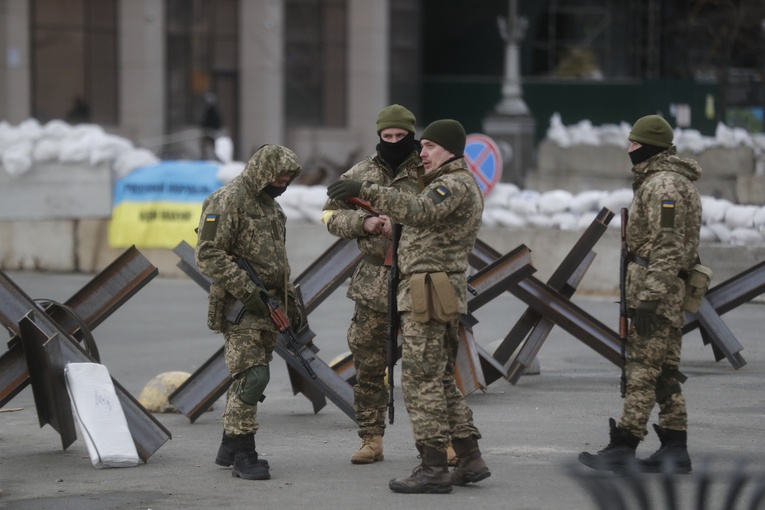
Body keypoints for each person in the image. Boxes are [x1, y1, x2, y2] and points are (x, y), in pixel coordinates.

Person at [327, 119, 490, 494]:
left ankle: (433, 468)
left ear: (450, 149)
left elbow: (417, 210)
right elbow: (418, 220)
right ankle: (469, 457)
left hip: (428, 293)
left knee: (420, 381)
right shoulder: (447, 183)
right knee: (439, 379)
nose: (423, 152)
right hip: (428, 290)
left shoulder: (452, 183)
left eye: (430, 146)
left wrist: (364, 189)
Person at [578, 114, 702, 474]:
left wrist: (651, 296)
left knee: (642, 368)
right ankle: (675, 447)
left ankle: (624, 445)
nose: (628, 149)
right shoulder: (664, 180)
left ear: (649, 146)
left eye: (634, 143)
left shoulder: (663, 185)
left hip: (657, 290)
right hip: (663, 287)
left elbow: (666, 245)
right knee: (664, 369)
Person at [195, 144, 304, 481]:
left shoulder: (271, 207)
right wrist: (248, 292)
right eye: (279, 177)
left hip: (269, 305)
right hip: (241, 306)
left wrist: (291, 303)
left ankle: (229, 444)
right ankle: (244, 453)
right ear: (262, 171)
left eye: (289, 179)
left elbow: (276, 263)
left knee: (252, 375)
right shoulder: (227, 200)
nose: (283, 184)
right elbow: (208, 254)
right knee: (253, 376)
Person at [321, 104, 422, 464]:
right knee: (368, 365)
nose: (394, 141)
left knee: (424, 366)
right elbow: (330, 213)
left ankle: (440, 441)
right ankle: (370, 438)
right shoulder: (360, 172)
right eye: (387, 136)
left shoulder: (427, 170)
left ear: (411, 135)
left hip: (417, 278)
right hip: (373, 279)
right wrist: (362, 224)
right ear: (379, 135)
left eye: (400, 136)